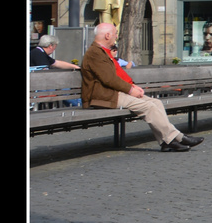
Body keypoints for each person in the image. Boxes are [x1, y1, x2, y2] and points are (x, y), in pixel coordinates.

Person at [80, 21, 201, 152]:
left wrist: (132, 87)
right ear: (107, 35)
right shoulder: (95, 53)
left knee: (156, 102)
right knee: (148, 107)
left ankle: (166, 141)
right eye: (115, 34)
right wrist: (131, 90)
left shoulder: (102, 52)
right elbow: (109, 79)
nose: (116, 36)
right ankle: (177, 137)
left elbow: (115, 76)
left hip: (111, 93)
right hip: (102, 96)